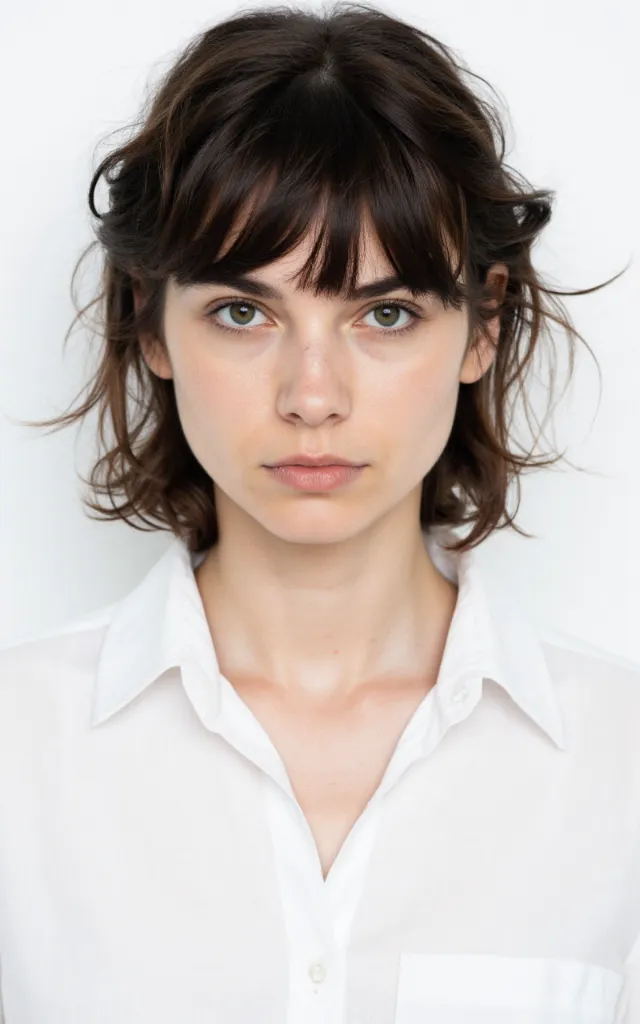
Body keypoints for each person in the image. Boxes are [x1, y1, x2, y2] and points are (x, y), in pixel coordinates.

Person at [1, 2, 638, 1021]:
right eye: (242, 312)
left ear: (480, 329)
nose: (311, 393)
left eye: (384, 314)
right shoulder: (16, 757)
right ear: (149, 325)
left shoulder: (620, 762)